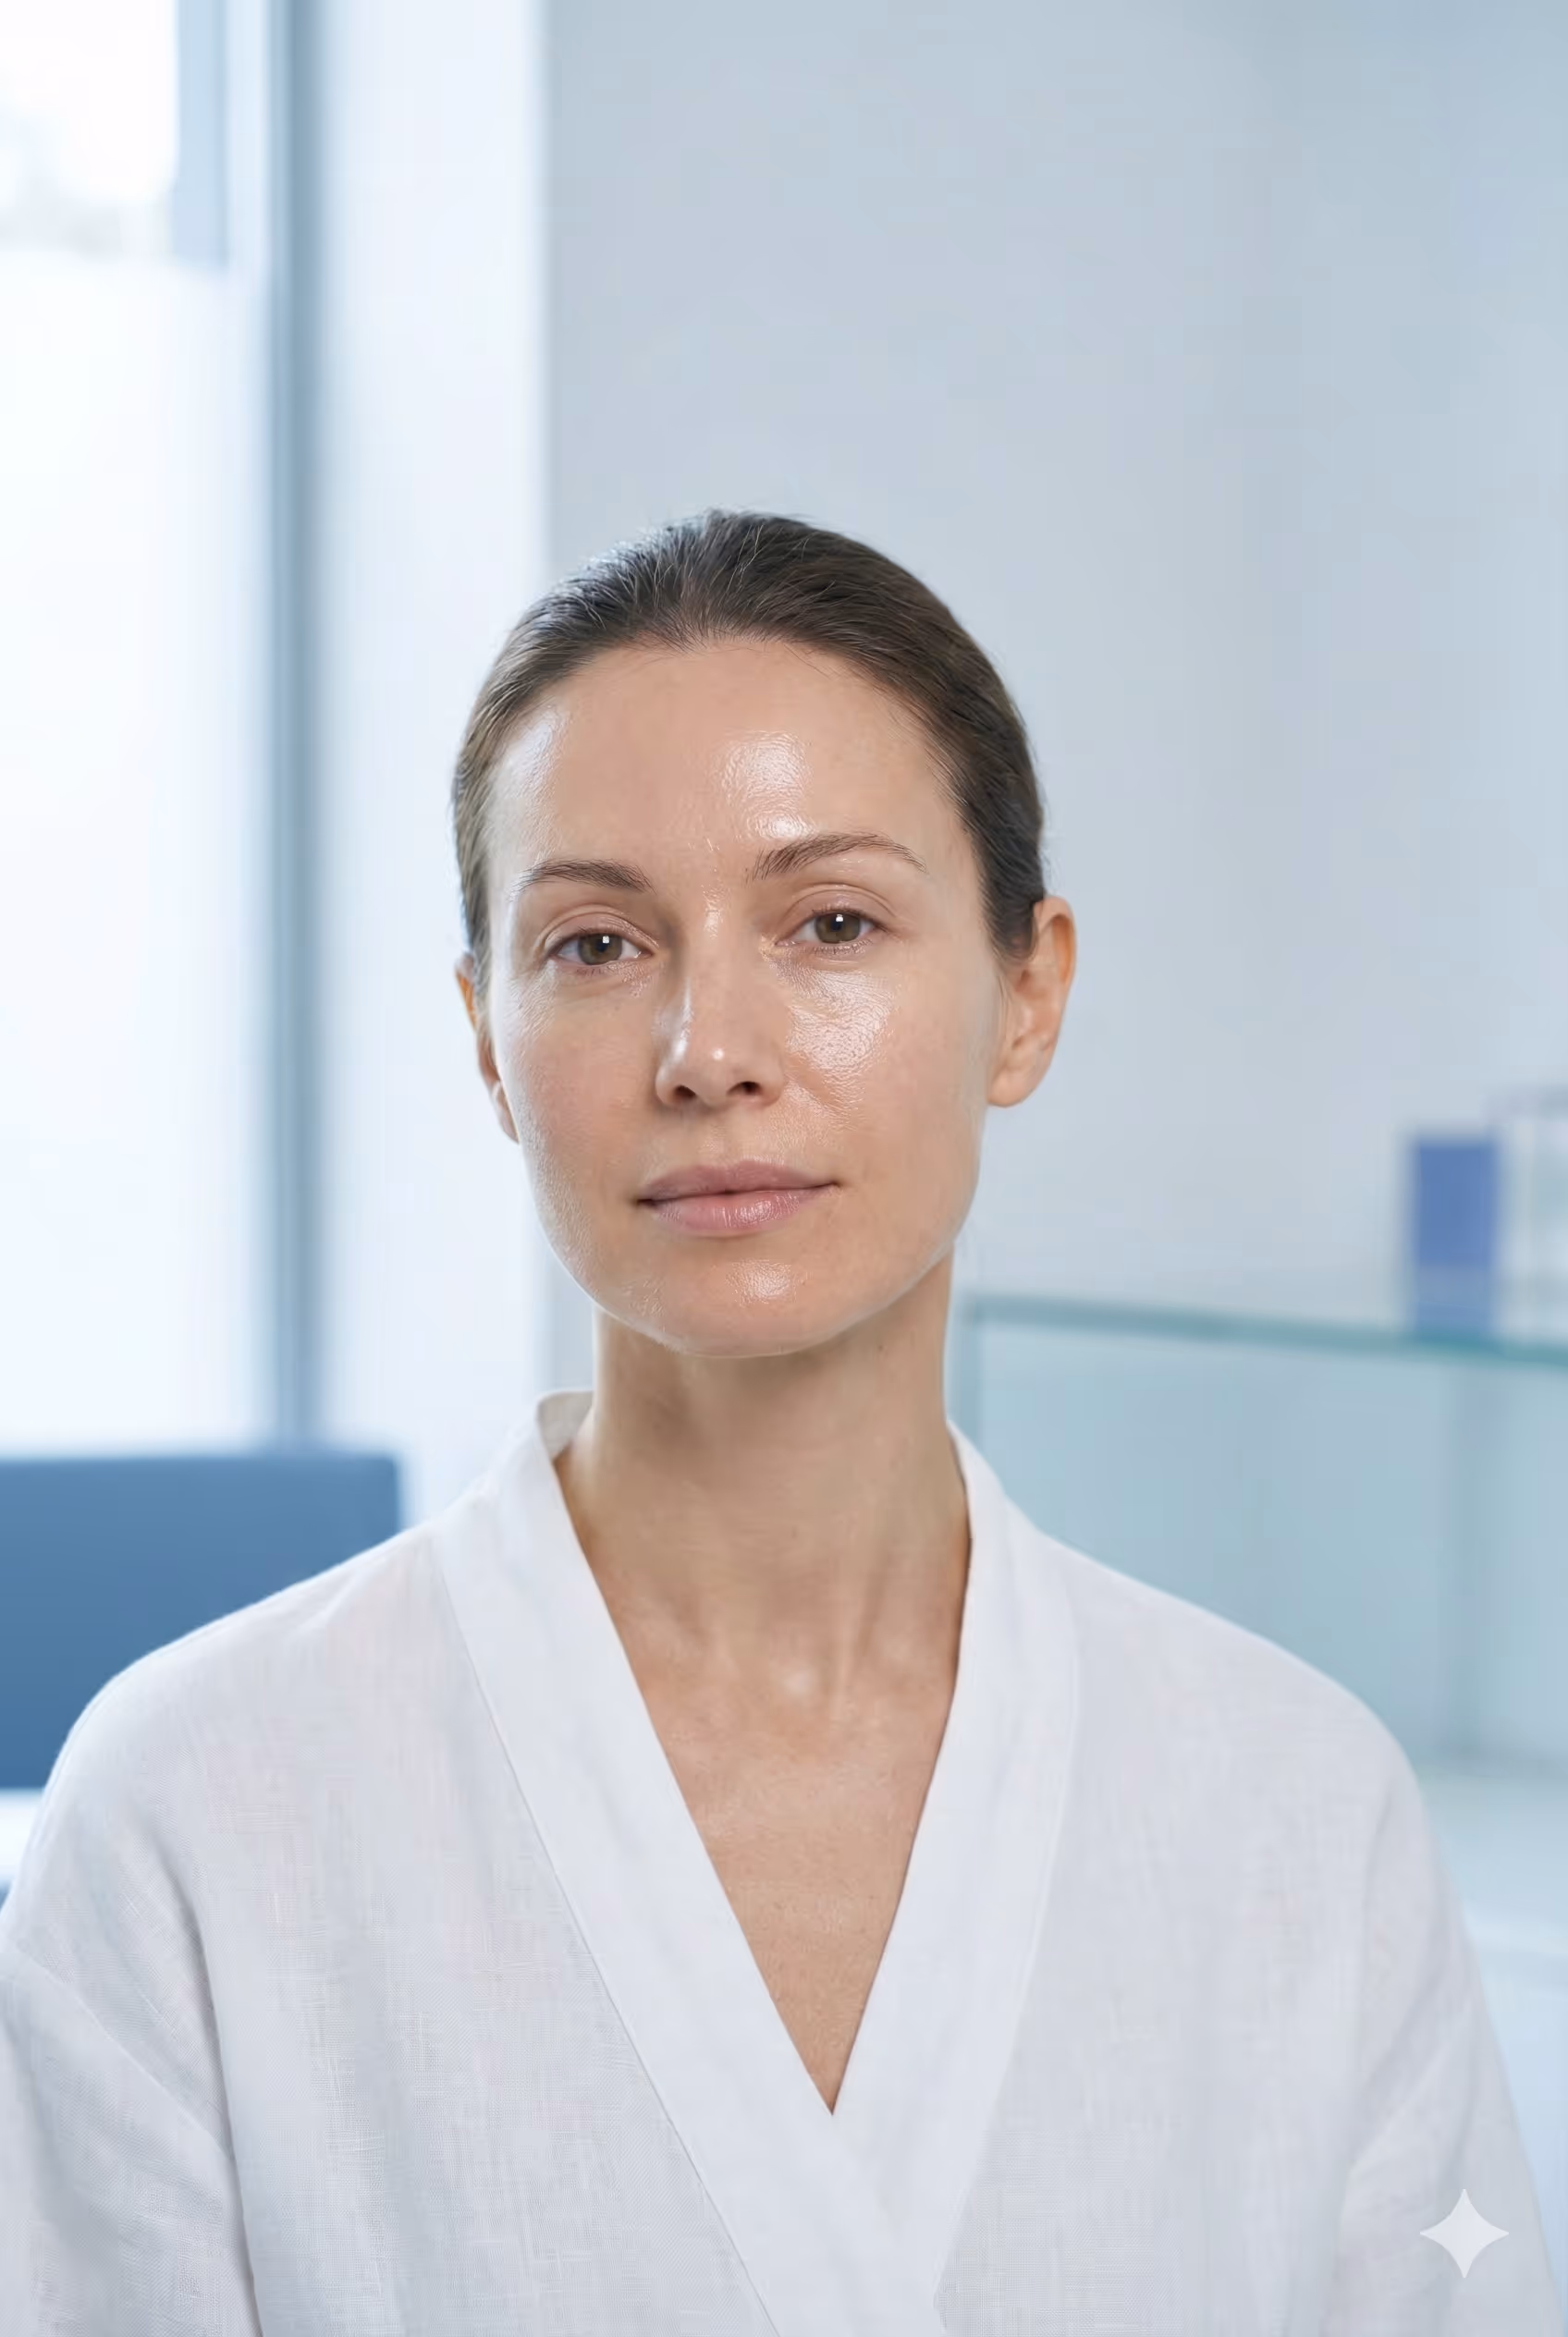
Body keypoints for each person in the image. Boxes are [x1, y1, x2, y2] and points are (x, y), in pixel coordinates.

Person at [0, 509, 1558, 2334]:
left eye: (828, 921)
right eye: (593, 944)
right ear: (485, 1039)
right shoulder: (195, 1810)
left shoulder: (1294, 1813)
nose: (704, 1048)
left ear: (1025, 991)